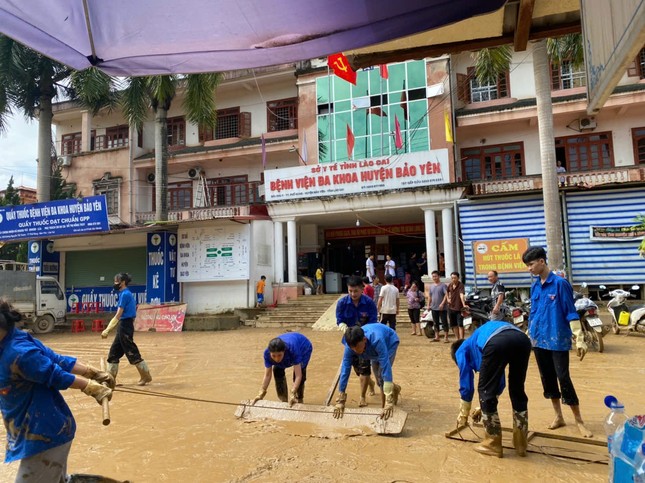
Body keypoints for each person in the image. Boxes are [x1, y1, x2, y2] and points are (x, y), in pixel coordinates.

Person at [0, 300, 113, 482]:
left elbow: (54, 372)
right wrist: (91, 372)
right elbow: (55, 359)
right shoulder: (14, 338)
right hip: (38, 429)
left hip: (43, 435)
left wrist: (90, 386)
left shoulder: (18, 353)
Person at [521, 246, 592, 438]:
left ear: (542, 261)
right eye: (527, 265)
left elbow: (570, 311)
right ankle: (558, 416)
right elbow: (534, 311)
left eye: (531, 264)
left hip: (557, 339)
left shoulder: (560, 284)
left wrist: (579, 337)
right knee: (548, 378)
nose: (529, 268)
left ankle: (579, 421)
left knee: (563, 378)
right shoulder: (535, 285)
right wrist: (529, 333)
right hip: (539, 340)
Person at [451, 321, 532, 458]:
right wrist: (481, 406)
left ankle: (492, 444)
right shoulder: (479, 340)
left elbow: (466, 381)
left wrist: (464, 413)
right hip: (522, 340)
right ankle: (521, 444)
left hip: (497, 342)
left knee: (485, 390)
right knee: (517, 390)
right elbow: (498, 381)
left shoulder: (462, 349)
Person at [333, 324, 401, 420]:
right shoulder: (350, 346)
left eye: (357, 347)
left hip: (389, 343)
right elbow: (345, 369)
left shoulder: (377, 340)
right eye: (353, 349)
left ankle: (384, 409)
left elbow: (386, 367)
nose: (355, 351)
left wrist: (388, 402)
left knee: (382, 377)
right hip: (370, 350)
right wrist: (341, 399)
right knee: (378, 381)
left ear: (364, 340)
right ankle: (394, 388)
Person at [101, 272, 152, 386]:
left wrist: (107, 329)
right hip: (123, 325)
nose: (114, 284)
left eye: (116, 281)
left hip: (126, 325)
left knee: (131, 351)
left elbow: (118, 315)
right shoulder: (124, 293)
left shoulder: (125, 294)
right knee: (113, 354)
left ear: (122, 282)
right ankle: (110, 380)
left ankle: (146, 376)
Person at [336, 275, 378, 407]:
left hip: (364, 341)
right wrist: (342, 325)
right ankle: (369, 383)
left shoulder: (369, 303)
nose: (353, 294)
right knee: (353, 369)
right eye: (350, 291)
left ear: (362, 289)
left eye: (355, 291)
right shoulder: (342, 303)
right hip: (349, 341)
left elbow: (373, 322)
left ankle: (362, 397)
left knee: (364, 369)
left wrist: (360, 335)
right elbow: (339, 319)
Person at [251, 332, 313, 406]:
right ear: (270, 353)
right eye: (273, 356)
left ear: (284, 351)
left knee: (300, 373)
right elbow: (267, 375)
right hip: (290, 343)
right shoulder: (266, 354)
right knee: (277, 370)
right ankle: (284, 400)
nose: (277, 359)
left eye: (279, 355)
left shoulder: (292, 350)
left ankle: (299, 399)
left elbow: (298, 376)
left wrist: (293, 392)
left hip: (303, 348)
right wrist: (261, 393)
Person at [441, 271, 467, 341]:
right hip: (451, 308)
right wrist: (448, 299)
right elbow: (447, 292)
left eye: (455, 278)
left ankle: (461, 339)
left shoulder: (461, 285)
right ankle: (457, 339)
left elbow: (461, 295)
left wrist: (464, 304)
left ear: (458, 278)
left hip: (459, 308)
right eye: (452, 278)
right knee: (454, 325)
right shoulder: (450, 285)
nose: (453, 279)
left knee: (460, 325)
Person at [428, 270, 449, 343]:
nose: (434, 278)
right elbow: (430, 296)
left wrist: (442, 303)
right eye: (433, 276)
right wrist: (428, 305)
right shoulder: (431, 286)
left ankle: (446, 337)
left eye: (435, 276)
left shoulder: (443, 285)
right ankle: (437, 336)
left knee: (444, 322)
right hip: (434, 307)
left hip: (442, 308)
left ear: (439, 276)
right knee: (435, 322)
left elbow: (446, 295)